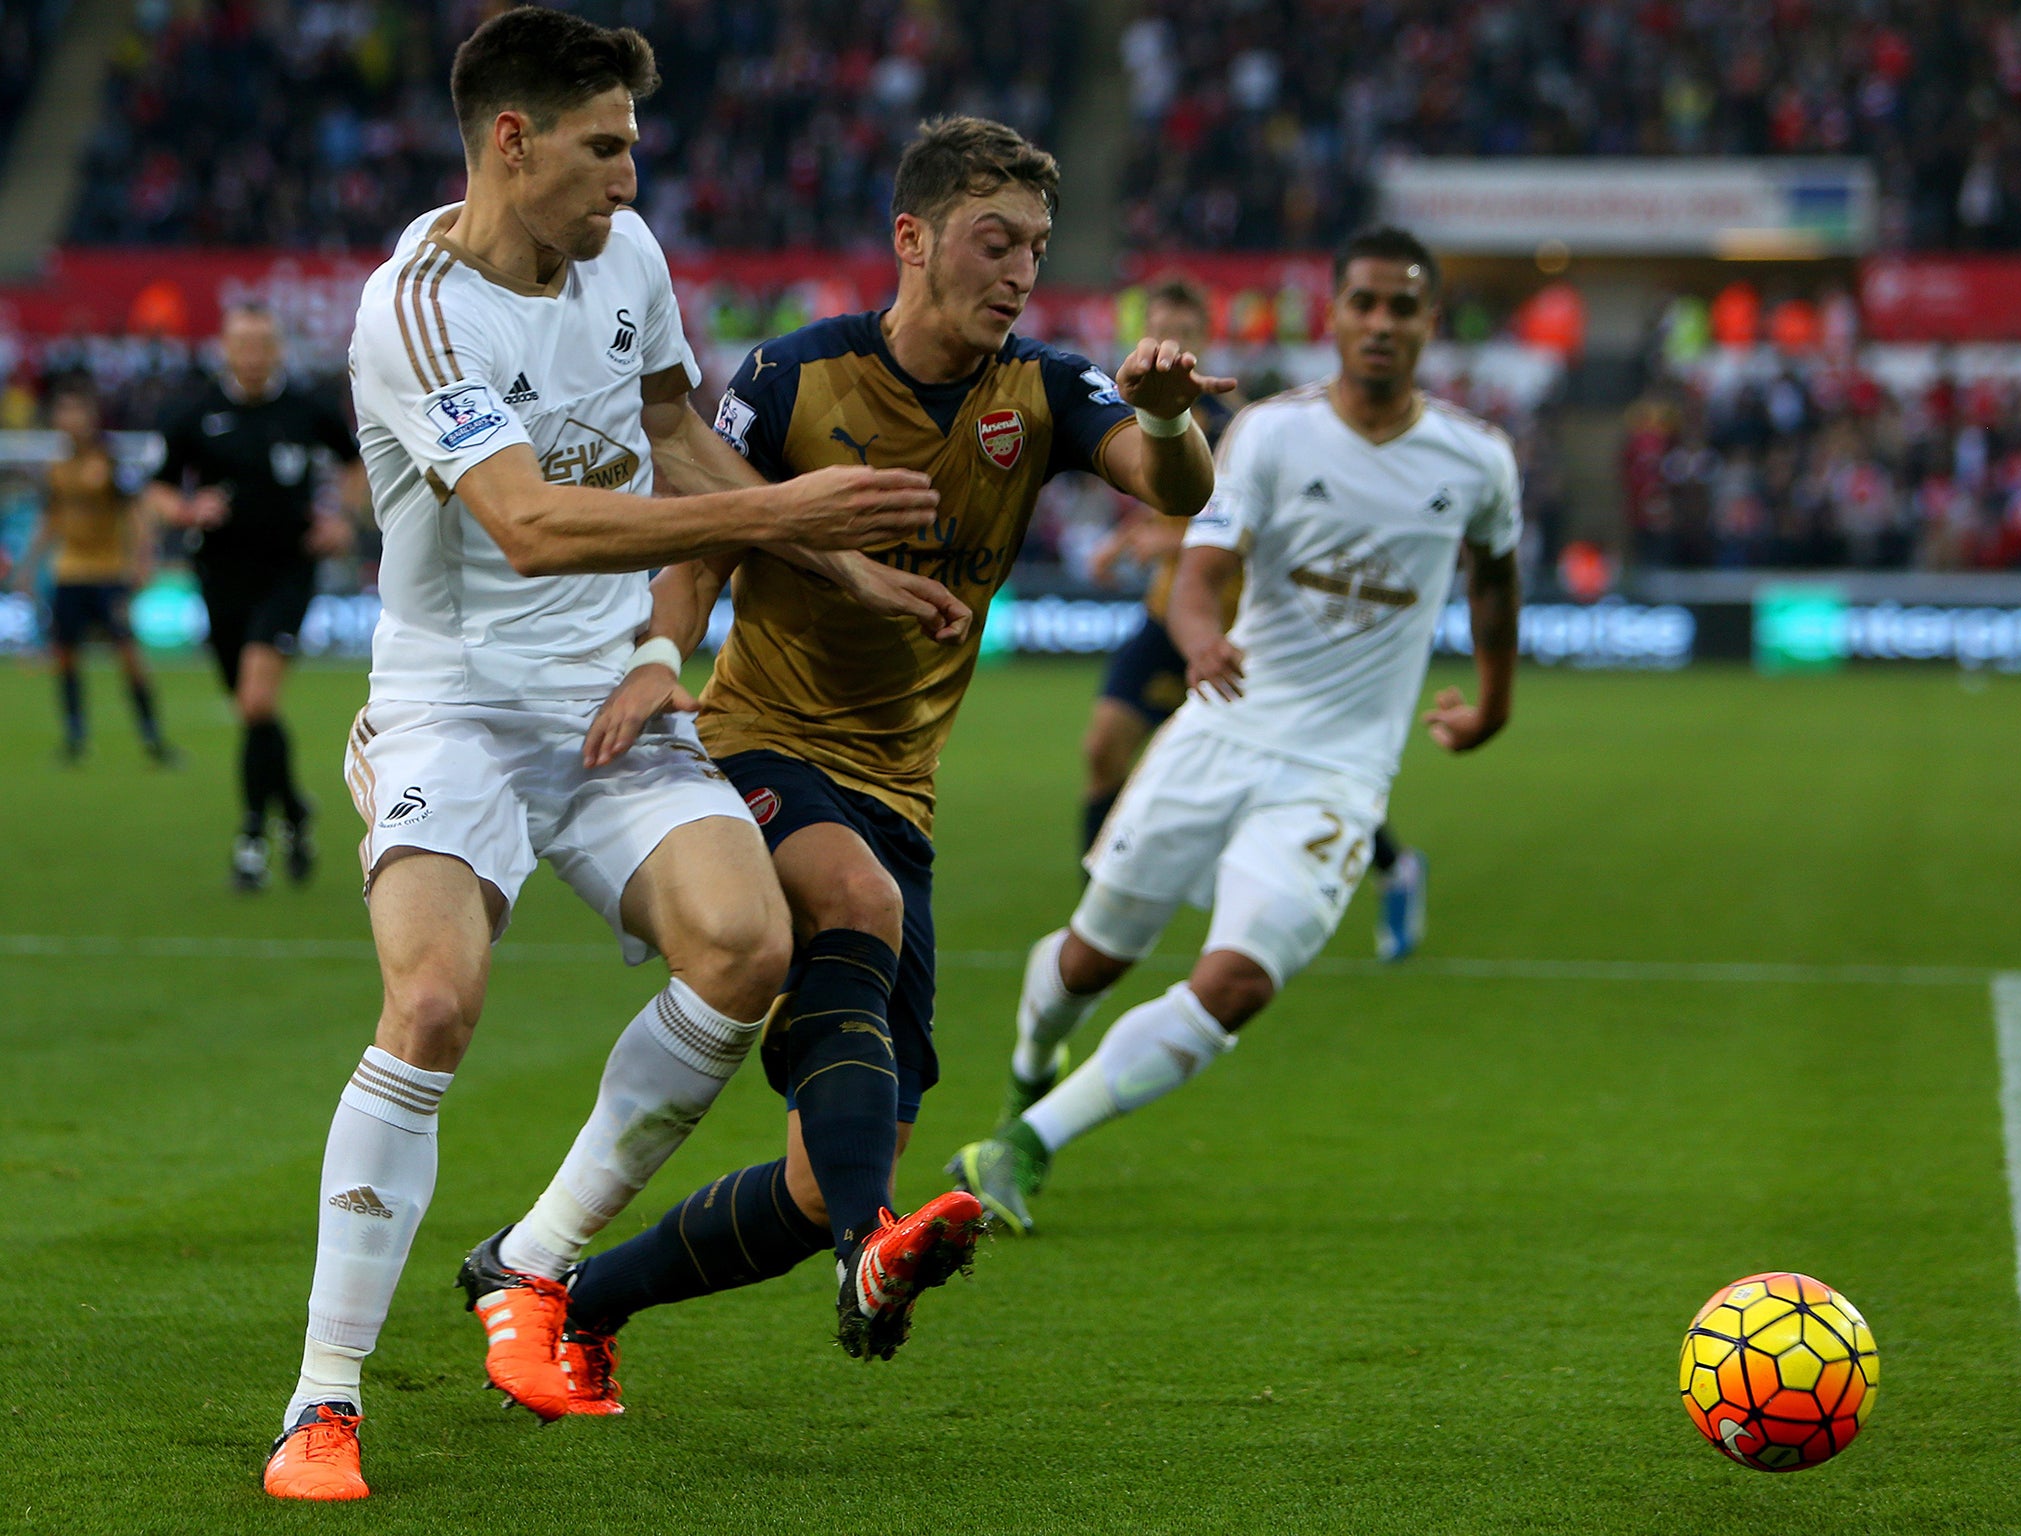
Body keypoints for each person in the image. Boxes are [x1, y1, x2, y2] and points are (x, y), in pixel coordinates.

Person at [261, 6, 950, 1501]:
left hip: (606, 701)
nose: (632, 179)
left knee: (745, 941)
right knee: (434, 1002)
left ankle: (533, 1262)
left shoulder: (623, 262)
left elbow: (669, 428)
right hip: (456, 704)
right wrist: (787, 518)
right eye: (606, 146)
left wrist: (836, 565)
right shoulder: (418, 307)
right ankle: (324, 1403)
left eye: (633, 145)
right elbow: (532, 521)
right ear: (513, 140)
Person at [473, 113, 1226, 1414]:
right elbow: (707, 530)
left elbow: (1179, 491)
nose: (1019, 273)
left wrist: (1165, 419)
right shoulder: (798, 375)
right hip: (759, 745)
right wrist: (663, 649)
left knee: (827, 1163)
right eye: (996, 243)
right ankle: (867, 1251)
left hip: (901, 792)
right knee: (856, 915)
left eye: (1037, 250)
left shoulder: (1042, 389)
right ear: (914, 238)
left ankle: (573, 1300)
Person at [949, 226, 1522, 1236]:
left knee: (1239, 978)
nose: (1381, 322)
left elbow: (1494, 582)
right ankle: (1029, 1071)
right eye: (1364, 303)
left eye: (1402, 306)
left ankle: (1024, 1144)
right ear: (1334, 317)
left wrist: (1492, 704)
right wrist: (1201, 640)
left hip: (1338, 772)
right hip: (1218, 731)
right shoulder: (1266, 434)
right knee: (1091, 960)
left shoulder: (1475, 462)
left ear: (1429, 323)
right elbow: (1199, 576)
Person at [1081, 282, 1429, 983]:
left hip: (1240, 625)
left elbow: (1251, 531)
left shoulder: (1244, 425)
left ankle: (1394, 866)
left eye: (1185, 324)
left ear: (1205, 332)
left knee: (1293, 764)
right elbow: (1164, 498)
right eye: (1162, 324)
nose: (1173, 335)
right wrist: (1130, 545)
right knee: (1102, 749)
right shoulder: (1144, 410)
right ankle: (1097, 909)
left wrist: (1167, 547)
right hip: (1165, 615)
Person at [147, 307, 364, 889]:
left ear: (278, 350)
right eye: (241, 344)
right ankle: (293, 810)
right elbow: (159, 489)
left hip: (288, 571)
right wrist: (189, 511)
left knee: (256, 702)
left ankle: (250, 841)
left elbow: (355, 466)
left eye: (262, 343)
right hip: (220, 574)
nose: (252, 354)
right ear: (223, 348)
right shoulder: (195, 413)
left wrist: (340, 519)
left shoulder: (307, 409)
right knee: (251, 708)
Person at [12, 379, 175, 764]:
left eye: (76, 410)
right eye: (63, 410)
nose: (69, 418)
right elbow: (50, 519)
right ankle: (75, 738)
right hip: (69, 572)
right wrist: (29, 566)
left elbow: (134, 512)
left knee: (129, 655)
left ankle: (153, 739)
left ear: (89, 416)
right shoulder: (57, 467)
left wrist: (144, 558)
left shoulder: (109, 460)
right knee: (65, 656)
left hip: (108, 573)